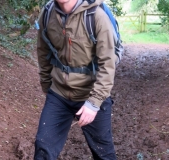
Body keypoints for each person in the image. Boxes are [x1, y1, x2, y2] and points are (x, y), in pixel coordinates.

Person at [34, 0, 117, 159]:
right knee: (43, 147)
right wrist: (46, 84)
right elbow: (43, 52)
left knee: (103, 153)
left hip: (91, 93)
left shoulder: (96, 17)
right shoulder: (47, 14)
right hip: (59, 93)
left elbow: (107, 64)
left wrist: (94, 103)